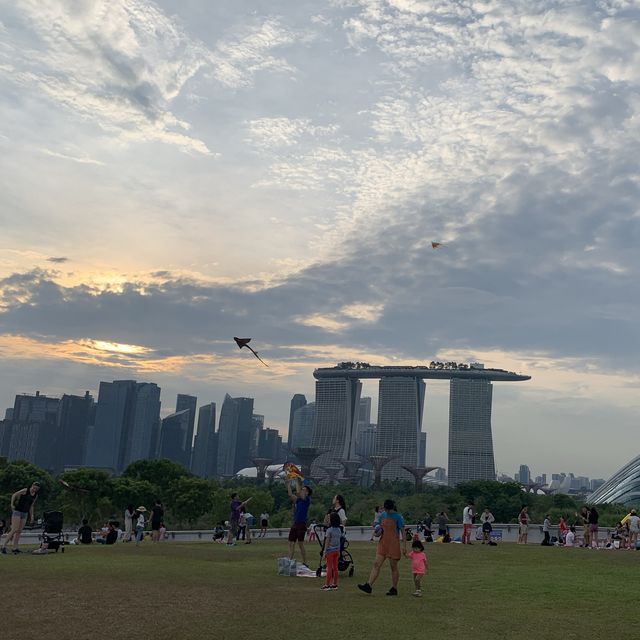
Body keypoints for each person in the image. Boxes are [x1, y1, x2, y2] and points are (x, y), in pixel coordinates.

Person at [358, 498, 407, 596]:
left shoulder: (398, 517)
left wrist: (404, 546)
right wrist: (377, 533)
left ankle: (394, 588)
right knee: (376, 564)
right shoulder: (382, 515)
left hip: (393, 544)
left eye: (387, 509)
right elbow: (379, 528)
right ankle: (369, 585)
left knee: (393, 567)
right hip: (383, 543)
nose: (386, 511)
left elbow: (403, 532)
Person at [0, 481, 41, 555]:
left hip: (24, 513)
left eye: (36, 489)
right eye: (34, 488)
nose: (34, 490)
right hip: (18, 511)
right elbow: (14, 495)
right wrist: (12, 504)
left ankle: (15, 548)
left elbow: (31, 506)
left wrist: (32, 516)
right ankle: (3, 546)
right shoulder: (25, 490)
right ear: (32, 486)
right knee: (14, 529)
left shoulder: (35, 495)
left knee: (19, 531)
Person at [287, 478, 312, 567]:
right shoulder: (299, 500)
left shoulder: (307, 499)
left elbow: (298, 492)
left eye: (304, 490)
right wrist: (288, 483)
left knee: (300, 544)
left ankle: (305, 562)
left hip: (301, 524)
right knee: (291, 543)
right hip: (295, 523)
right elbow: (291, 494)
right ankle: (289, 561)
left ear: (307, 493)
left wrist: (297, 480)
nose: (302, 490)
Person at [321, 512, 342, 591]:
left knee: (329, 568)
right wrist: (339, 551)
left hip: (330, 551)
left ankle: (327, 585)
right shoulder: (339, 530)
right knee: (335, 568)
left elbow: (327, 542)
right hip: (337, 550)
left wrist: (324, 552)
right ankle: (335, 584)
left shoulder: (329, 530)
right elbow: (339, 541)